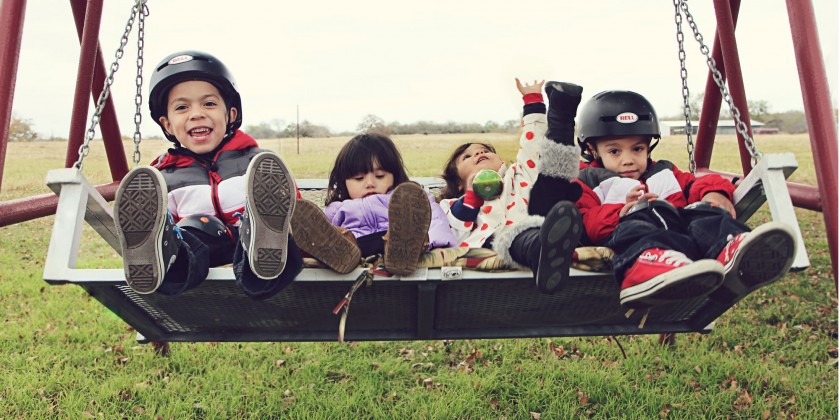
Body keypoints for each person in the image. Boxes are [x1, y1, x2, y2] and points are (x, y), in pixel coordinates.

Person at [573, 89, 796, 307]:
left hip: (681, 241)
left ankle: (731, 247)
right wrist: (622, 210)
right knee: (635, 226)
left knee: (705, 212)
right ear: (592, 150)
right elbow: (586, 220)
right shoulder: (588, 179)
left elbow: (696, 183)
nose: (628, 160)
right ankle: (649, 265)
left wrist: (714, 192)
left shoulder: (664, 172)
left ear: (649, 147)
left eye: (637, 148)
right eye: (615, 151)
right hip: (634, 241)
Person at [113, 50, 301, 299]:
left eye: (209, 103)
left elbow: (296, 211)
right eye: (182, 107)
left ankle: (261, 238)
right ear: (167, 124)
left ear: (230, 114)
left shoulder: (259, 164)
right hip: (202, 252)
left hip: (252, 249)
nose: (196, 113)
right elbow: (153, 218)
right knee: (190, 232)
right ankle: (164, 254)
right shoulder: (163, 177)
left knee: (279, 244)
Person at [439, 78, 586, 293]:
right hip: (495, 241)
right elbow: (455, 234)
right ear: (458, 183)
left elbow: (533, 144)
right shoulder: (452, 205)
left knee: (551, 174)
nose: (479, 153)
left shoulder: (518, 173)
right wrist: (471, 197)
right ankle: (544, 251)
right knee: (511, 237)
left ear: (502, 162)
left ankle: (562, 111)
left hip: (539, 220)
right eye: (467, 157)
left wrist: (533, 101)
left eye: (484, 150)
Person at [291, 133, 457, 276]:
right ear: (344, 182)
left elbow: (436, 221)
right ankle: (342, 254)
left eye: (379, 176)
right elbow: (322, 233)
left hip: (398, 241)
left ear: (394, 176)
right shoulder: (337, 208)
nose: (370, 183)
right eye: (358, 178)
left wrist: (435, 243)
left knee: (407, 233)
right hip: (354, 249)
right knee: (339, 237)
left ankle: (403, 250)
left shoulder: (409, 200)